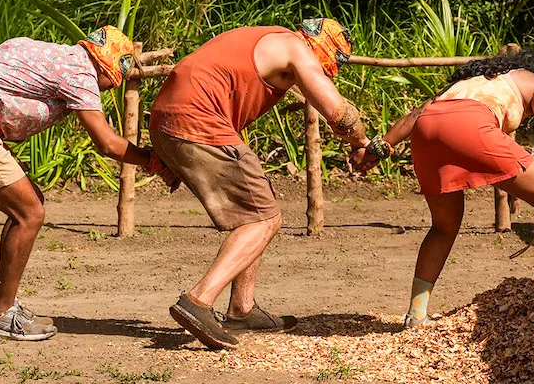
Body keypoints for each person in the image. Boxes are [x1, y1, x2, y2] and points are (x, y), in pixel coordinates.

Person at [0, 26, 173, 342]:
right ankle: (0, 315)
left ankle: (3, 306)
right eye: (113, 82)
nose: (109, 90)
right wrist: (154, 160)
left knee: (28, 204)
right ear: (111, 65)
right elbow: (107, 143)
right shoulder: (82, 73)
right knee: (30, 213)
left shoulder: (39, 49)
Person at [149, 18, 370, 350]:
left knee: (255, 209)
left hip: (167, 116)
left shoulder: (265, 38)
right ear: (326, 48)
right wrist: (361, 142)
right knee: (265, 219)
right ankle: (198, 300)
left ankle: (242, 308)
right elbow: (340, 114)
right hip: (199, 119)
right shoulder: (296, 49)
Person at [351, 49, 534, 329]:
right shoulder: (532, 81)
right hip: (471, 126)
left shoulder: (470, 81)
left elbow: (417, 115)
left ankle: (416, 314)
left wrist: (379, 149)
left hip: (427, 131)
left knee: (443, 226)